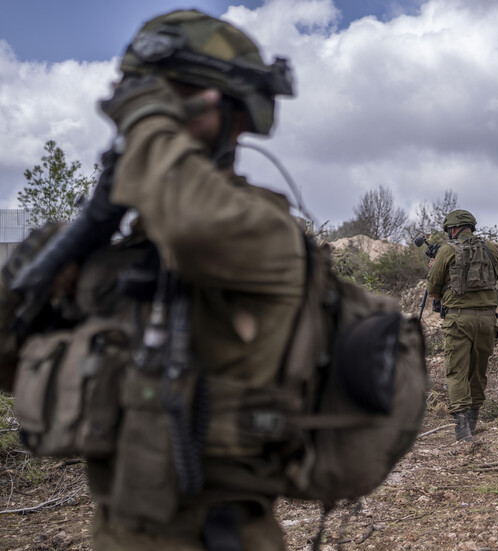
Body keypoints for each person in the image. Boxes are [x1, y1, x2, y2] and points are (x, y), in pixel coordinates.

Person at [12, 10, 302, 549]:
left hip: (225, 536)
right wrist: (54, 258)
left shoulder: (264, 232)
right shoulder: (120, 254)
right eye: (145, 96)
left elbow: (192, 227)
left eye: (176, 96)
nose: (149, 114)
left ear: (236, 117)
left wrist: (146, 118)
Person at [427, 209, 498, 441]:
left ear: (453, 229)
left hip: (459, 319)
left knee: (456, 371)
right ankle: (473, 421)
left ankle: (463, 432)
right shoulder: (488, 248)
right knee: (478, 370)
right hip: (487, 319)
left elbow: (432, 288)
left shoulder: (447, 250)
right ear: (471, 226)